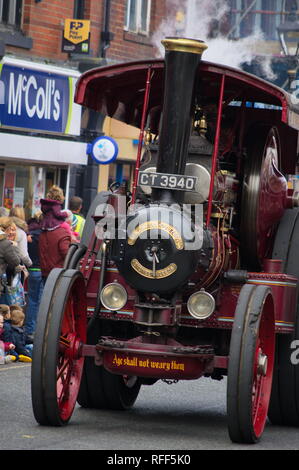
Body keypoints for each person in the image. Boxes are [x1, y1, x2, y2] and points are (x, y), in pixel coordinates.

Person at [39, 185, 71, 281]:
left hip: (44, 271)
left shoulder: (42, 233)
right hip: (57, 273)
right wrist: (66, 214)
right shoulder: (61, 233)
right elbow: (66, 253)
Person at [25, 211, 44, 341]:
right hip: (42, 270)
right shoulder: (44, 235)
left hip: (32, 269)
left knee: (31, 300)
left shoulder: (30, 235)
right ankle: (37, 330)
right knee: (41, 301)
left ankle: (29, 329)